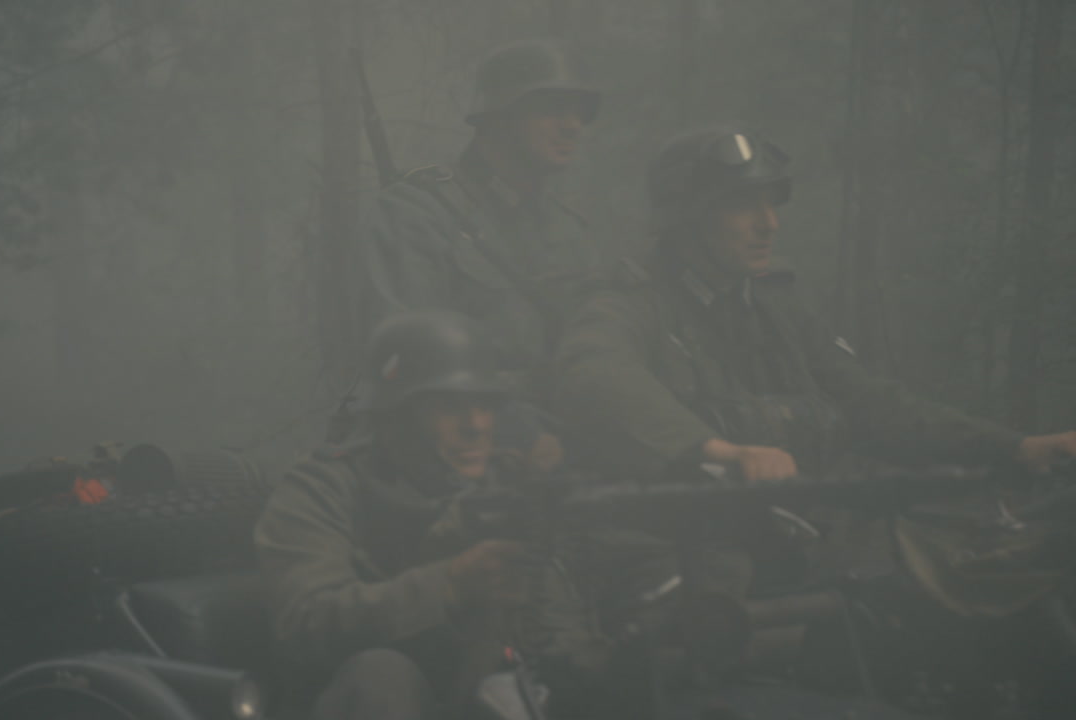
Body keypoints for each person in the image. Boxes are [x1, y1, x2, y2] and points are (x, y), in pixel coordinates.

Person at [552, 126, 1076, 484]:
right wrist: (722, 453)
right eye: (742, 204)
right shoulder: (629, 303)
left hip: (803, 536)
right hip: (688, 549)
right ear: (684, 218)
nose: (769, 223)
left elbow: (871, 404)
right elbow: (596, 375)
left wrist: (1012, 448)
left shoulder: (777, 307)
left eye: (771, 202)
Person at [255, 311, 608, 720]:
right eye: (448, 407)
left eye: (484, 405)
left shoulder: (509, 483)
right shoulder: (322, 489)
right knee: (381, 675)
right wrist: (449, 585)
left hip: (497, 696)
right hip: (385, 703)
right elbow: (306, 623)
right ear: (398, 414)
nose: (475, 426)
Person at [355, 39, 604, 407]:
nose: (573, 126)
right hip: (460, 436)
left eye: (580, 112)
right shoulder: (416, 214)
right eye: (553, 109)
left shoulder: (569, 231)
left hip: (567, 436)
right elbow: (409, 366)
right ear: (499, 115)